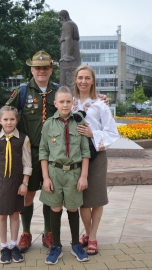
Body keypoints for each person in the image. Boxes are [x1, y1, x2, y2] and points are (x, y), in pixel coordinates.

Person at [0, 51, 58, 253]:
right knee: (28, 194)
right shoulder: (23, 91)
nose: (41, 71)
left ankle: (48, 232)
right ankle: (25, 232)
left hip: (53, 154)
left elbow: (73, 109)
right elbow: (5, 113)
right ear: (32, 69)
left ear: (51, 69)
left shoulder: (58, 92)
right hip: (30, 153)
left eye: (45, 67)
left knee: (50, 194)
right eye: (37, 67)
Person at [39, 86, 90, 265]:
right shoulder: (48, 124)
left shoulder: (79, 122)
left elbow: (85, 152)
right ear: (55, 103)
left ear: (73, 103)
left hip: (74, 173)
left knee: (73, 208)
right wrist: (45, 178)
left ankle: (76, 244)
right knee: (55, 208)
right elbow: (43, 152)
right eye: (61, 101)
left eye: (68, 101)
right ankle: (56, 247)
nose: (65, 104)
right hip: (54, 173)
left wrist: (83, 176)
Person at [71, 65, 119, 255]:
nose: (83, 81)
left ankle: (92, 237)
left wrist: (93, 133)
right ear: (75, 80)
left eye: (87, 78)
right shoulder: (70, 102)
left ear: (93, 81)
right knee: (81, 198)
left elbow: (112, 132)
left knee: (96, 197)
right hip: (75, 157)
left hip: (96, 156)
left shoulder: (100, 104)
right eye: (80, 77)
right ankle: (87, 232)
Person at [0, 106, 32, 264]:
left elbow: (27, 163)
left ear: (17, 120)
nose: (9, 122)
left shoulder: (23, 139)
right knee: (1, 215)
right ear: (0, 121)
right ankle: (4, 247)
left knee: (14, 214)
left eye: (12, 119)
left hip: (16, 183)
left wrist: (25, 183)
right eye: (5, 119)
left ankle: (14, 246)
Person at [58, 10, 81, 90]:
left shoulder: (67, 24)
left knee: (67, 75)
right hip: (74, 49)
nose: (60, 20)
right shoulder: (73, 23)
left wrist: (68, 55)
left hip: (68, 51)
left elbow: (68, 38)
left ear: (64, 16)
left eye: (60, 18)